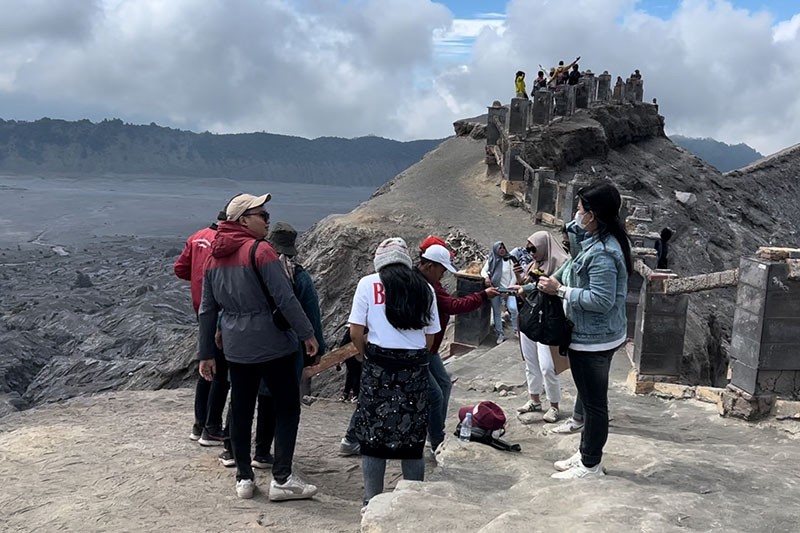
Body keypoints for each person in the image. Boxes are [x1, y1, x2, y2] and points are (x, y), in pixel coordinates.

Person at [197, 193, 320, 500]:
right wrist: (307, 333)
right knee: (287, 407)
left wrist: (206, 353)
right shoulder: (261, 250)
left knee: (241, 408)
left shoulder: (214, 257)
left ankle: (244, 478)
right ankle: (282, 478)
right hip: (274, 345)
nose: (267, 220)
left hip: (236, 348)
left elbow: (208, 310)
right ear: (243, 220)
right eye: (262, 215)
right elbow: (285, 298)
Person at [524, 181, 631, 479]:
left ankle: (590, 465)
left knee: (594, 406)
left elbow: (601, 300)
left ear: (592, 215)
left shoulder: (603, 253)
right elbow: (573, 254)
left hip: (594, 340)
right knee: (589, 398)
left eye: (580, 209)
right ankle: (586, 454)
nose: (576, 214)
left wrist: (560, 291)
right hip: (595, 335)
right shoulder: (600, 239)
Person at [217, 221, 328, 469]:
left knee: (241, 400)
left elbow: (230, 304)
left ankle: (231, 450)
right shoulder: (299, 277)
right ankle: (262, 453)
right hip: (282, 348)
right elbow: (310, 312)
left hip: (243, 345)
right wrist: (316, 345)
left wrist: (220, 330)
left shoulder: (248, 268)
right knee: (273, 399)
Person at [349, 237, 440, 511]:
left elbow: (355, 331)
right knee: (412, 439)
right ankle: (412, 501)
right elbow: (430, 338)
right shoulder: (425, 288)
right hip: (414, 369)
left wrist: (364, 354)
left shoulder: (368, 283)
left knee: (373, 437)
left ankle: (371, 501)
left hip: (378, 366)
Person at [416, 239, 499, 452]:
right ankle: (436, 438)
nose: (443, 274)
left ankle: (435, 431)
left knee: (444, 384)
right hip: (420, 349)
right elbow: (453, 305)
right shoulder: (427, 287)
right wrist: (482, 295)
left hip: (430, 348)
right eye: (442, 269)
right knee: (436, 394)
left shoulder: (431, 284)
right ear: (430, 266)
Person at [174, 207, 229, 446]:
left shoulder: (196, 237)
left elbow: (180, 269)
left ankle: (199, 424)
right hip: (221, 314)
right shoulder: (224, 243)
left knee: (207, 367)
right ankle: (212, 428)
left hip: (201, 311)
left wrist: (198, 281)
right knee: (221, 373)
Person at [513, 231, 569, 423]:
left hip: (549, 321)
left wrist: (528, 287)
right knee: (531, 362)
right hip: (530, 317)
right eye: (528, 249)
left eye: (533, 248)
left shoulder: (561, 264)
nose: (531, 253)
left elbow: (548, 286)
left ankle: (554, 405)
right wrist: (519, 279)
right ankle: (534, 399)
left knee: (548, 367)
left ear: (544, 246)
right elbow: (526, 288)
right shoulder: (534, 265)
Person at [481, 241, 519, 344]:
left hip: (508, 289)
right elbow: (483, 271)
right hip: (496, 290)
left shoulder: (509, 260)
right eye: (499, 248)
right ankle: (500, 334)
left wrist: (508, 290)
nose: (502, 250)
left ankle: (516, 330)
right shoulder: (491, 259)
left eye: (503, 247)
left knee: (513, 308)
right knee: (497, 312)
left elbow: (514, 276)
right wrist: (486, 277)